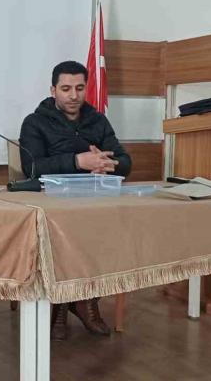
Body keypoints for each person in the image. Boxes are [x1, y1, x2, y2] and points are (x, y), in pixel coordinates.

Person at [19, 60, 132, 339]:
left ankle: (82, 300)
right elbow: (31, 168)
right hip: (53, 207)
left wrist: (109, 165)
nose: (73, 95)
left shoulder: (97, 120)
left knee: (111, 232)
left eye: (80, 88)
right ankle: (63, 303)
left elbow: (125, 161)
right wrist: (77, 161)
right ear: (53, 90)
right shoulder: (35, 122)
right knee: (66, 234)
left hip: (94, 204)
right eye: (66, 89)